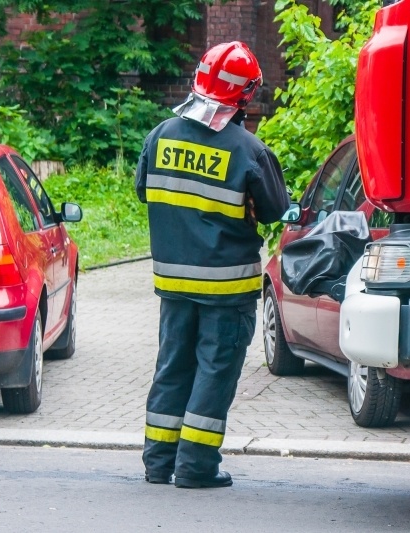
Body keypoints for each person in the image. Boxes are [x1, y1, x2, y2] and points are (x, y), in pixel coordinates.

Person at [135, 41, 290, 489]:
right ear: (245, 95)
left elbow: (145, 191)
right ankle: (196, 467)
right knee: (214, 372)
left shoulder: (160, 135)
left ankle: (158, 463)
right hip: (226, 290)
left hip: (172, 284)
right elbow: (276, 210)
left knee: (172, 367)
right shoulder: (248, 150)